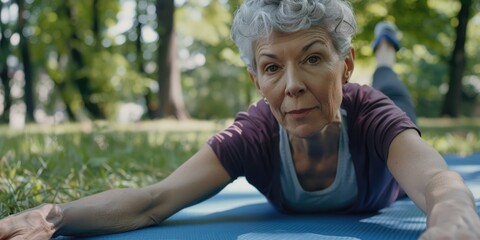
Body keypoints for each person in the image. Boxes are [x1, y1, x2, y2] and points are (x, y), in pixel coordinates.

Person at [1, 0, 479, 239]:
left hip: (388, 101)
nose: (291, 85)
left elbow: (439, 181)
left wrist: (453, 220)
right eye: (272, 67)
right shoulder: (252, 134)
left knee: (393, 82)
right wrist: (54, 215)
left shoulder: (374, 117)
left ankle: (386, 50)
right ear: (256, 80)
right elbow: (155, 199)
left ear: (345, 66)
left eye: (313, 58)